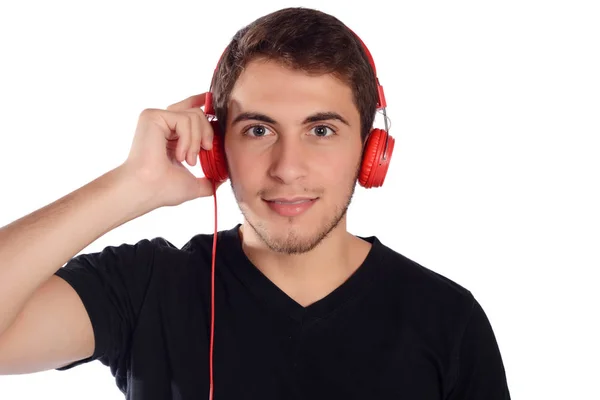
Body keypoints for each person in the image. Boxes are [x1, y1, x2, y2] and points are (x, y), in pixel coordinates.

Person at [0, 6, 511, 400]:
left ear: (370, 150)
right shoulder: (147, 286)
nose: (288, 167)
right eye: (259, 129)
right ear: (218, 148)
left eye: (321, 129)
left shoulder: (449, 319)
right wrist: (131, 185)